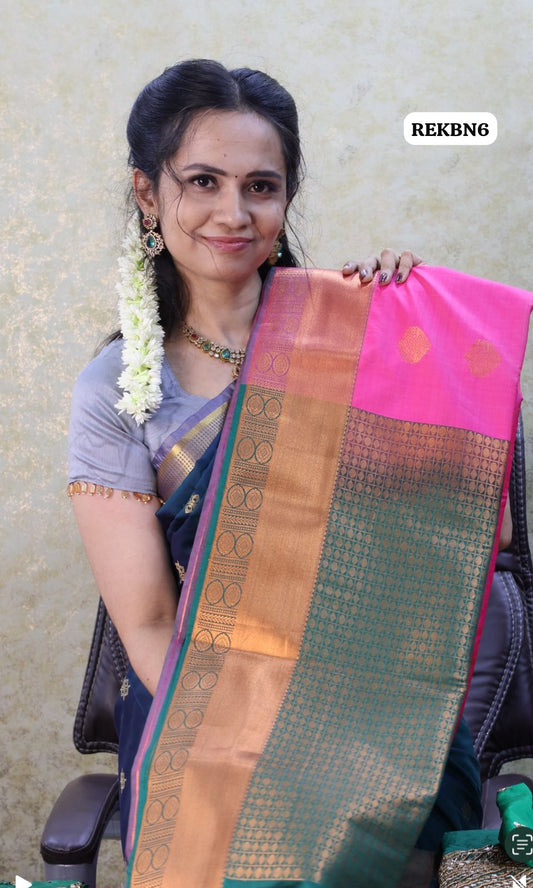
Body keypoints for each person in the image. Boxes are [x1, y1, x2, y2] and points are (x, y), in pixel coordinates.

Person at [67, 59, 525, 888]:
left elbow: (480, 540)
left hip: (381, 726)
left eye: (261, 186)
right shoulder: (116, 389)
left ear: (286, 197)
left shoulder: (367, 336)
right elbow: (149, 624)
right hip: (205, 724)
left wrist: (420, 343)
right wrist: (265, 750)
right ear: (147, 193)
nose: (233, 213)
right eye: (201, 181)